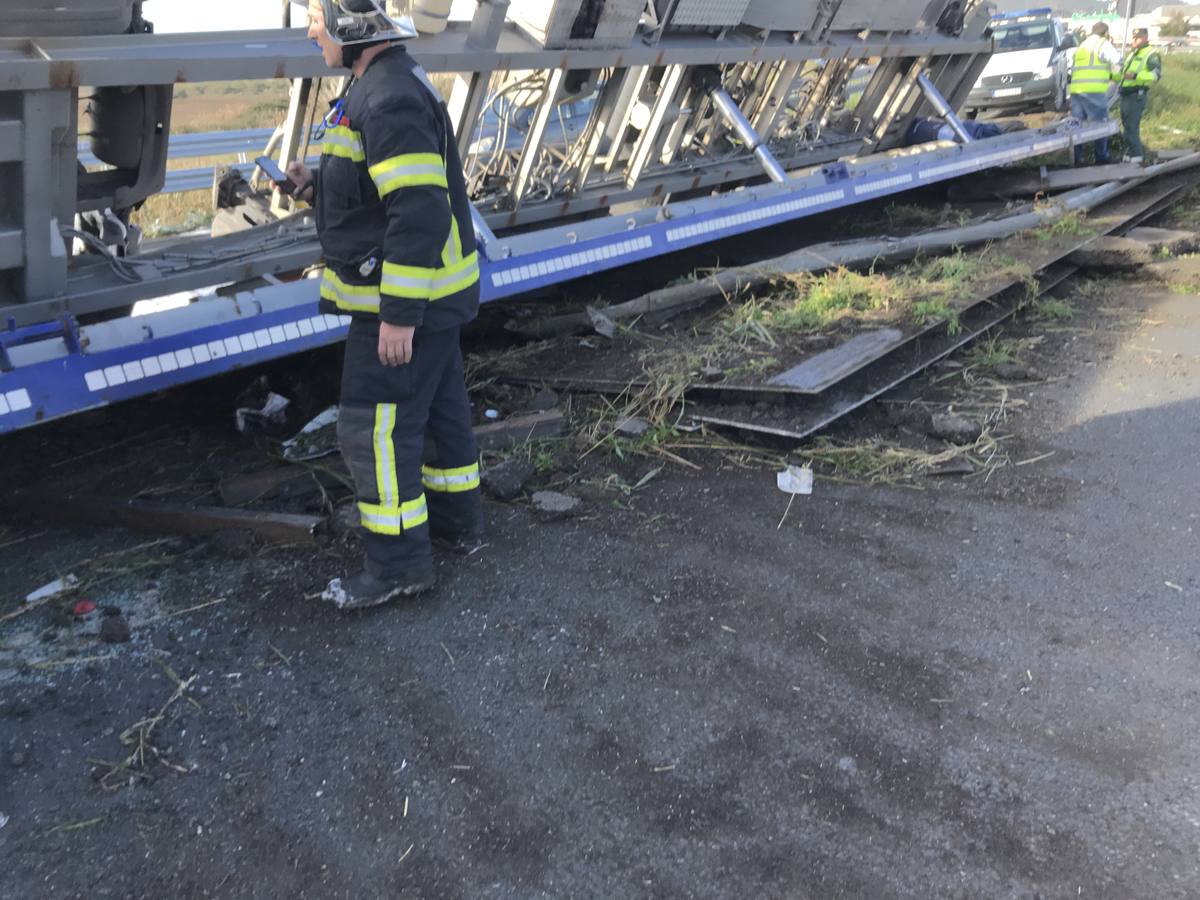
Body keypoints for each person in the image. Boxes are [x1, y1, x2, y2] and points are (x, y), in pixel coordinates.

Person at [286, 0, 484, 610]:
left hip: (403, 302)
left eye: (318, 16)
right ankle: (456, 525)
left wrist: (398, 314)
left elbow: (418, 209)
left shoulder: (387, 96)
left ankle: (398, 564)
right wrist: (315, 188)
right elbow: (383, 190)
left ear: (352, 23)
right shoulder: (380, 84)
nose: (312, 27)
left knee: (371, 430)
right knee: (441, 411)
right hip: (434, 295)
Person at [1068, 22, 1122, 165]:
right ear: (1105, 33)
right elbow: (1117, 61)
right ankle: (1102, 157)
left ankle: (1078, 158)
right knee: (1100, 126)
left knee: (1077, 126)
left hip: (1076, 91)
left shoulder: (1082, 45)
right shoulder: (1102, 44)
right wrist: (1116, 77)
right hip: (1093, 91)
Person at [1118, 28, 1162, 163]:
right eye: (1133, 38)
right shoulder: (1133, 54)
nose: (1134, 41)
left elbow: (1156, 75)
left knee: (1132, 128)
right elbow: (1124, 75)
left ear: (1145, 38)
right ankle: (1127, 157)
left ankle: (1136, 159)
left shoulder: (1151, 54)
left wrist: (1136, 76)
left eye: (1137, 38)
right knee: (1126, 128)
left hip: (1136, 95)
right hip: (1126, 95)